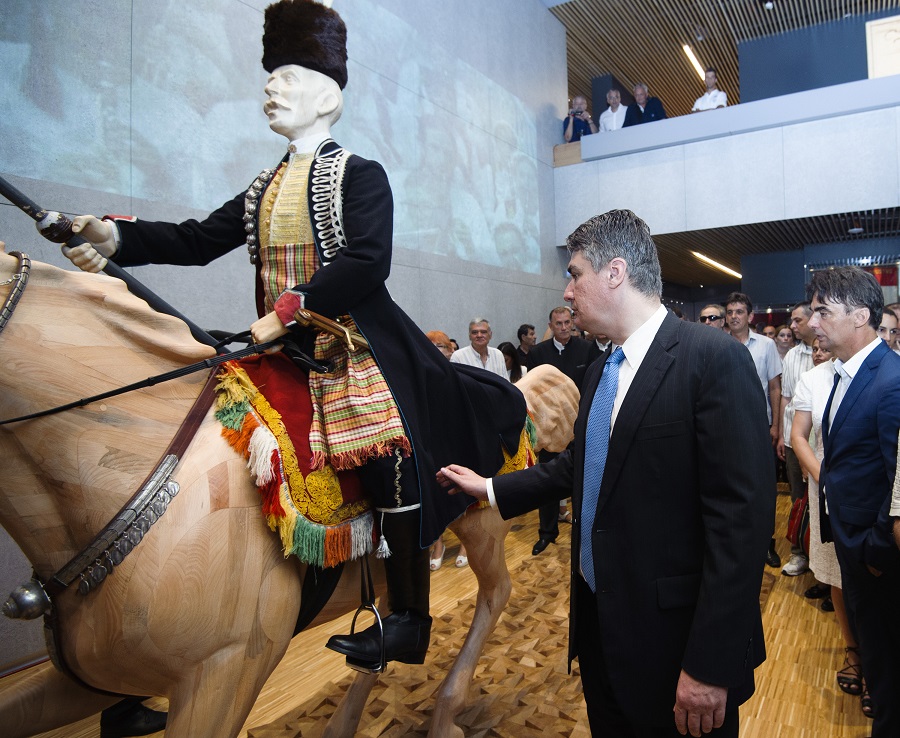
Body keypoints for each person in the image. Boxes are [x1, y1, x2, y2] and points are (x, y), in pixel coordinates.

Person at [62, 0, 527, 672]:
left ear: (328, 96)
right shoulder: (263, 188)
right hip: (280, 348)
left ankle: (409, 619)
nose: (270, 88)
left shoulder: (360, 175)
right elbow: (197, 239)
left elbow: (367, 261)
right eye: (269, 78)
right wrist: (115, 238)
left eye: (288, 77)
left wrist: (290, 309)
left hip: (354, 349)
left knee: (388, 453)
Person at [439, 209, 773, 737]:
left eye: (575, 274)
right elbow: (583, 463)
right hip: (602, 634)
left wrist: (711, 665)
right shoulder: (601, 371)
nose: (567, 292)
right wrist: (490, 487)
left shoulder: (712, 361)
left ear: (615, 272)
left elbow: (742, 527)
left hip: (678, 648)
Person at [808, 266, 900, 736]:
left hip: (876, 556)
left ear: (861, 315)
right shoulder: (849, 372)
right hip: (854, 546)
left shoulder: (891, 380)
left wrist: (876, 552)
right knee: (877, 655)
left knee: (888, 664)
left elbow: (896, 480)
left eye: (823, 312)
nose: (812, 322)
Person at [791, 338, 870, 717]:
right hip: (826, 489)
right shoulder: (814, 378)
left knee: (875, 579)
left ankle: (879, 662)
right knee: (838, 575)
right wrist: (827, 482)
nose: (817, 327)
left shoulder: (885, 372)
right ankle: (853, 650)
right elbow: (799, 436)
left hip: (874, 490)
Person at [525, 306, 598, 556]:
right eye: (559, 323)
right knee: (547, 482)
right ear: (551, 325)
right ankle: (546, 533)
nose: (564, 327)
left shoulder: (587, 349)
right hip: (550, 430)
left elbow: (592, 384)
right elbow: (533, 392)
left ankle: (583, 533)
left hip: (580, 427)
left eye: (568, 322)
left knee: (582, 482)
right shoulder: (538, 353)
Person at [726, 292, 782, 568]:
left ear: (749, 316)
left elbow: (775, 388)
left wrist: (776, 426)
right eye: (730, 312)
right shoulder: (718, 343)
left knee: (764, 487)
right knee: (731, 487)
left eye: (739, 311)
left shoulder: (766, 345)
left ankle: (766, 543)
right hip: (726, 427)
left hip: (760, 426)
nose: (734, 316)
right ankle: (738, 541)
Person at [778, 302, 816, 577]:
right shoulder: (792, 355)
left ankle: (821, 559)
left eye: (797, 320)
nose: (792, 326)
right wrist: (782, 434)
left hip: (821, 442)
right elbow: (786, 398)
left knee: (821, 503)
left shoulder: (831, 351)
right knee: (798, 499)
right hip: (794, 440)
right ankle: (799, 552)